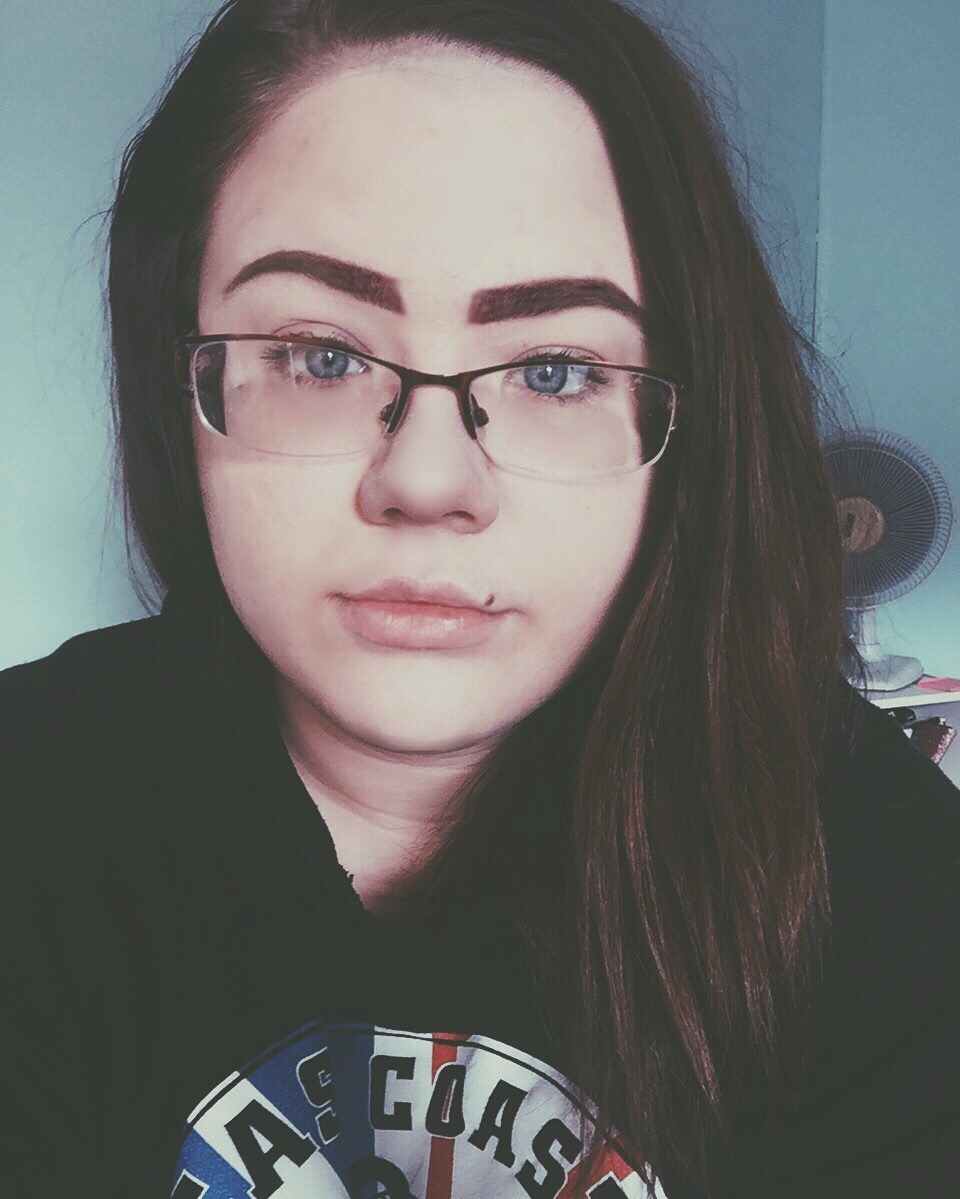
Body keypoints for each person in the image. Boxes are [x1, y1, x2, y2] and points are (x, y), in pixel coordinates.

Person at [3, 1, 958, 1196]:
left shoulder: (875, 881)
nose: (427, 479)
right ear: (178, 385)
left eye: (553, 370)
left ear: (686, 425)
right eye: (321, 356)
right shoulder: (32, 814)